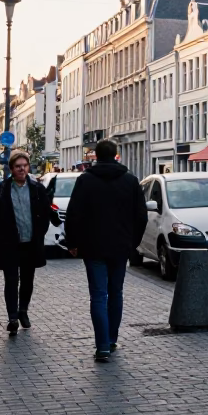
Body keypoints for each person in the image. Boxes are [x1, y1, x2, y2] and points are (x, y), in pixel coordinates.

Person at [63, 139, 146, 362]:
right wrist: (133, 242)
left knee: (98, 296)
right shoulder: (130, 181)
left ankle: (102, 347)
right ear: (116, 155)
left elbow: (74, 214)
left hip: (93, 247)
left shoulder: (85, 180)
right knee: (116, 293)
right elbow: (141, 216)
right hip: (120, 247)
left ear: (96, 156)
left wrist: (72, 242)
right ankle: (111, 339)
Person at [0, 150, 50, 335]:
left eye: (25, 165)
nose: (22, 169)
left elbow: (45, 213)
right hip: (9, 242)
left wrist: (40, 232)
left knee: (27, 280)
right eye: (18, 166)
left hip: (31, 241)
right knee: (11, 280)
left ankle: (23, 310)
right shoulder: (1, 190)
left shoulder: (37, 189)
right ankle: (12, 317)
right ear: (11, 169)